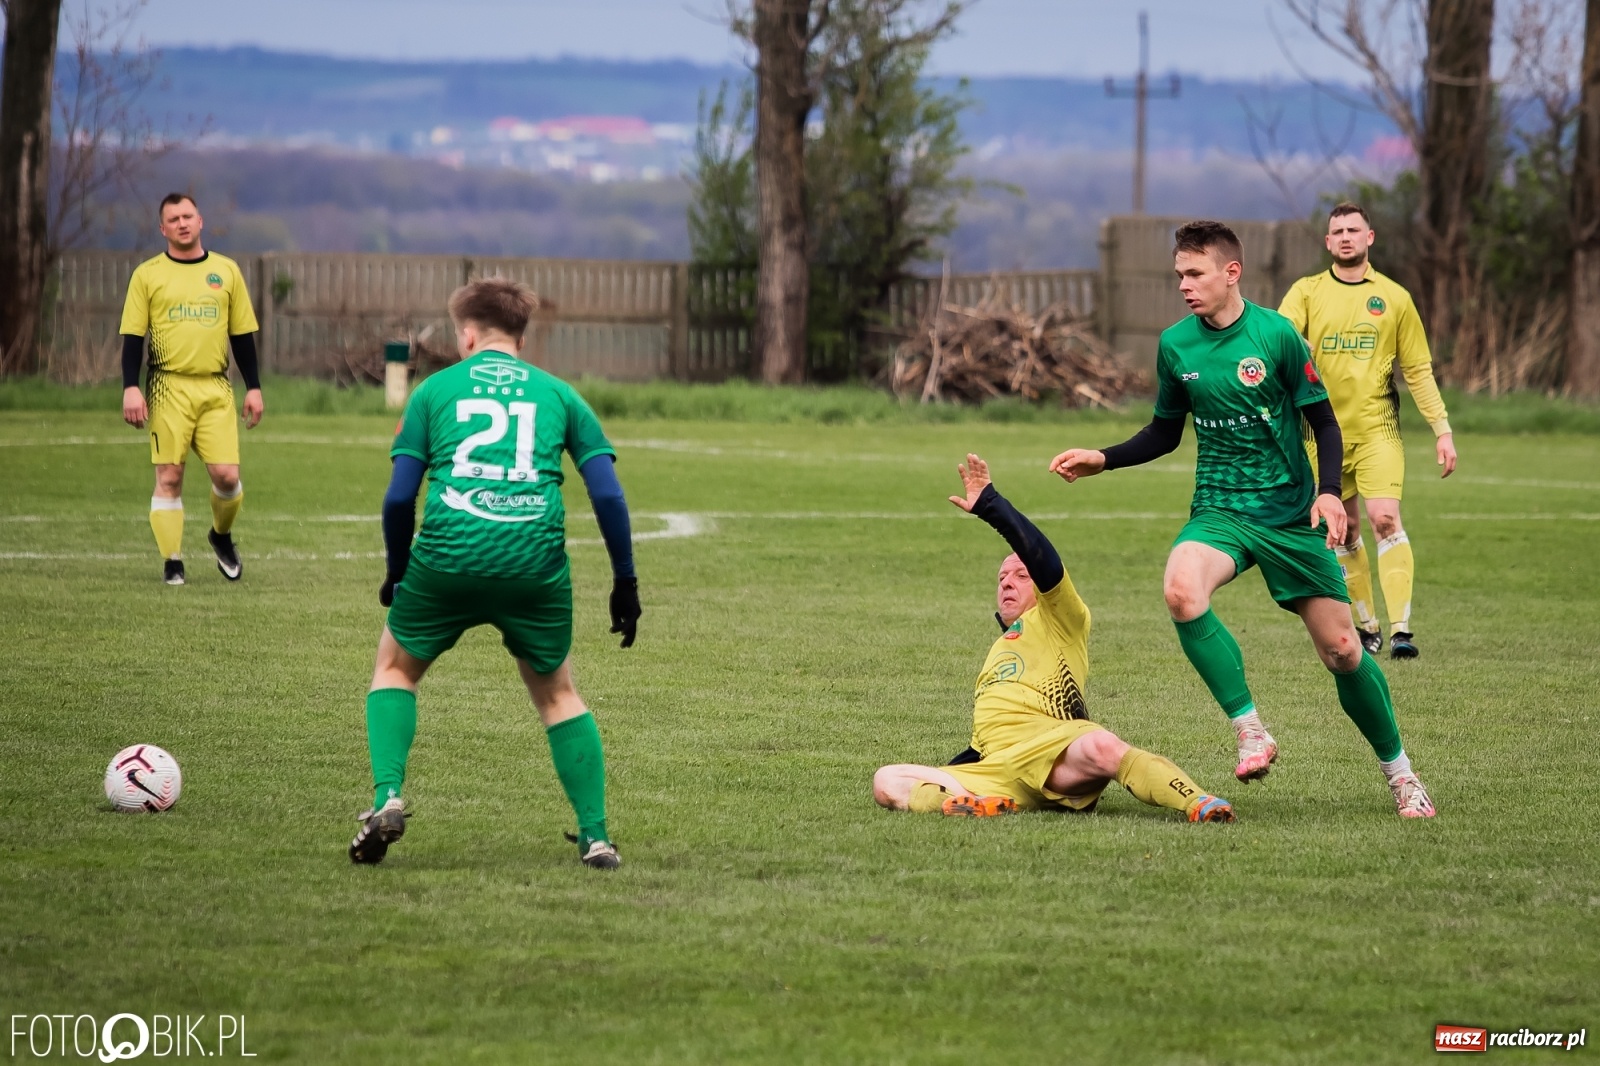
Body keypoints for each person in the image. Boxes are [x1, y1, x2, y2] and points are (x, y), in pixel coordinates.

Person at [1047, 220, 1436, 818]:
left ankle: (1401, 774)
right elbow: (1163, 431)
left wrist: (1329, 493)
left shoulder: (1276, 335)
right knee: (1181, 591)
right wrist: (1105, 458)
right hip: (1220, 509)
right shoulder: (1176, 344)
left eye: (1195, 273)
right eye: (1179, 274)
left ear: (1232, 273)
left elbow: (1323, 421)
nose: (1184, 285)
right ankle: (1250, 729)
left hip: (1289, 515)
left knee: (1341, 650)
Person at [349, 277, 642, 869]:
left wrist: (398, 571)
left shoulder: (434, 392)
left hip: (447, 558)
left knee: (395, 668)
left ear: (467, 335)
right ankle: (596, 838)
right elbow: (608, 494)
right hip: (533, 563)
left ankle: (387, 798)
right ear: (521, 339)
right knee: (558, 694)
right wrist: (625, 582)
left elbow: (399, 498)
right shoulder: (560, 394)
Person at [872, 453, 1236, 824]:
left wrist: (991, 506)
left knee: (1101, 745)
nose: (1007, 583)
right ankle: (963, 804)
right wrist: (948, 775)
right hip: (996, 769)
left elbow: (1042, 558)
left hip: (1054, 750)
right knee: (887, 779)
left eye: (1020, 576)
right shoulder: (1000, 650)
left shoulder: (1062, 618)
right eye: (1002, 578)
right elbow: (981, 743)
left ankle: (1199, 802)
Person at [1279, 202, 1457, 659]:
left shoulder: (1394, 298)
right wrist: (1295, 342)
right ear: (1327, 242)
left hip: (1379, 429)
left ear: (1369, 237)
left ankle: (1401, 632)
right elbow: (1277, 338)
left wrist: (1441, 429)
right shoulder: (1307, 292)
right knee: (1344, 529)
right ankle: (1368, 625)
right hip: (1321, 433)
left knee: (1384, 518)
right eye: (1337, 231)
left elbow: (1417, 369)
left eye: (1353, 230)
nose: (1345, 237)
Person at [119, 193, 263, 586]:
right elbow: (133, 337)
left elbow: (242, 335)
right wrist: (130, 387)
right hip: (167, 386)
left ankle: (221, 535)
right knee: (169, 476)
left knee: (227, 476)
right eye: (173, 219)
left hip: (216, 386)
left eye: (187, 216)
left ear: (200, 221)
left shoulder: (226, 271)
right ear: (162, 229)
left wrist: (254, 387)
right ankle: (173, 562)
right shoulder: (148, 275)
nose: (182, 223)